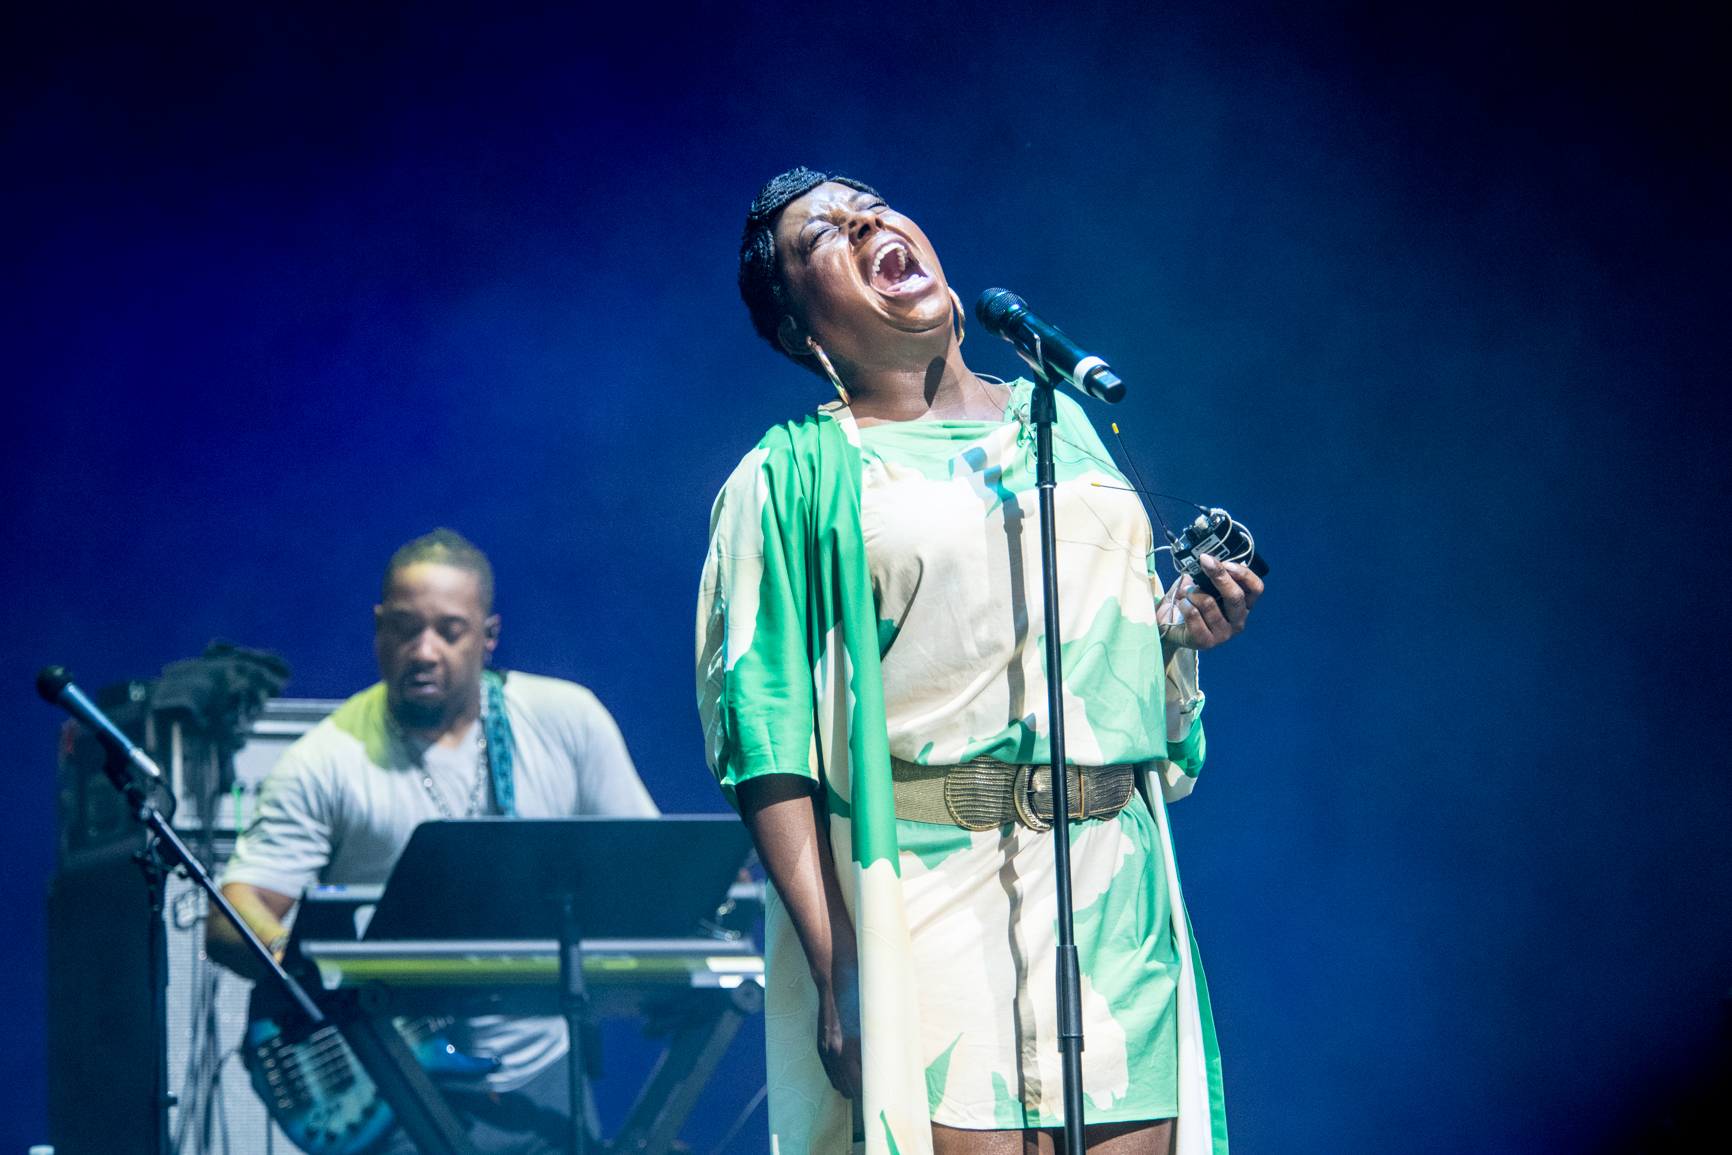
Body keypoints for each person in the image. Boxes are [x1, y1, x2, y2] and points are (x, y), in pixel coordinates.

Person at [697, 169, 1264, 1155]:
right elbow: (766, 736)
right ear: (801, 332)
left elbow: (1109, 645)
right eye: (818, 236)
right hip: (927, 899)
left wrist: (1174, 635)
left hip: (1105, 887)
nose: (861, 221)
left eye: (867, 202)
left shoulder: (1060, 420)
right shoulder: (788, 475)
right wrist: (841, 967)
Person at [209, 528, 659, 1155]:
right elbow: (232, 916)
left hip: (542, 1075)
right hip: (396, 1083)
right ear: (377, 629)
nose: (423, 650)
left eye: (449, 631)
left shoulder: (567, 721)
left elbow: (648, 873)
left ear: (489, 637)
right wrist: (315, 970)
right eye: (403, 627)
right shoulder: (326, 761)